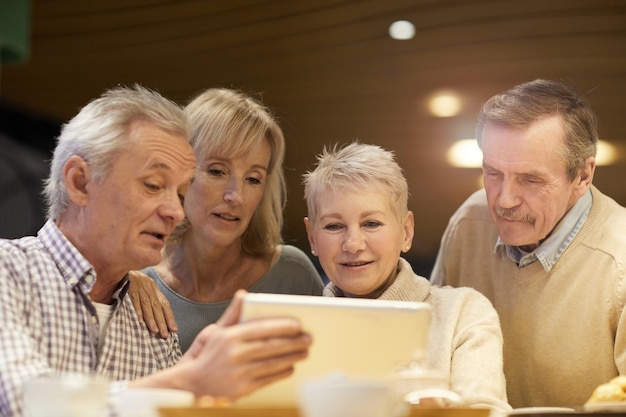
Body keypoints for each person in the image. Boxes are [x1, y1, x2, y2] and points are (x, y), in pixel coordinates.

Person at [0, 85, 311, 417]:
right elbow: (22, 403)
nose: (176, 212)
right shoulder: (10, 272)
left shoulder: (152, 323)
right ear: (80, 182)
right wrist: (188, 381)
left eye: (180, 192)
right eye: (153, 185)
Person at [430, 79, 626, 408]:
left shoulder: (620, 260)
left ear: (583, 176)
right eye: (492, 173)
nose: (504, 201)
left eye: (530, 180)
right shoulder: (468, 223)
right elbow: (431, 352)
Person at [302, 142, 511, 412]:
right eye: (334, 226)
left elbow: (488, 410)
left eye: (371, 223)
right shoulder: (297, 331)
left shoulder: (463, 314)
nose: (353, 243)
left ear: (406, 231)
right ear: (312, 237)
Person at [128, 88, 324, 352]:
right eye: (217, 171)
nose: (236, 196)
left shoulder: (292, 276)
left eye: (253, 179)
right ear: (180, 170)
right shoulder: (136, 279)